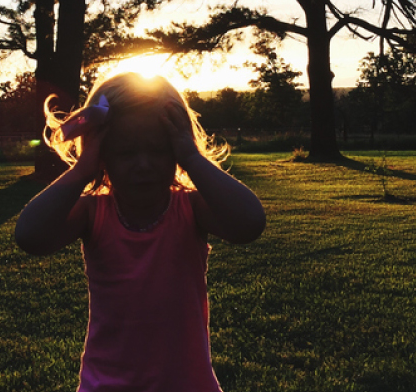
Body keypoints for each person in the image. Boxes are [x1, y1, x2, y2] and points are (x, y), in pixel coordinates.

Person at [14, 72, 266, 392]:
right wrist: (82, 169)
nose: (143, 164)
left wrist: (192, 158)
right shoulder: (93, 213)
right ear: (102, 156)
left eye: (159, 150)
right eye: (125, 152)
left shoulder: (191, 209)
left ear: (175, 151)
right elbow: (29, 236)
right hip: (106, 384)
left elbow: (249, 223)